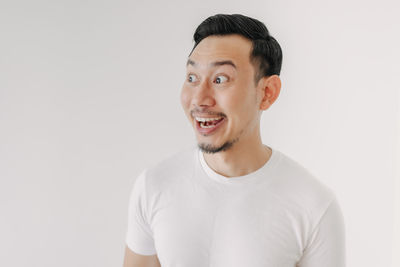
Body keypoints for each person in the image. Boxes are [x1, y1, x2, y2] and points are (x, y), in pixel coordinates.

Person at [123, 13, 346, 267]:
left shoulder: (313, 206)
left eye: (220, 79)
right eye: (192, 78)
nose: (199, 99)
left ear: (267, 93)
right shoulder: (153, 186)